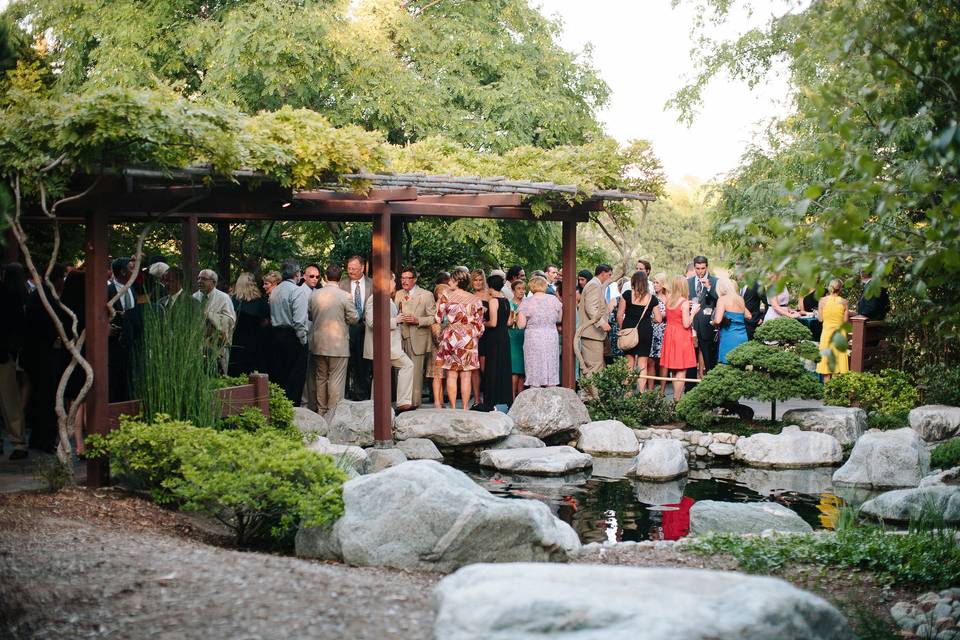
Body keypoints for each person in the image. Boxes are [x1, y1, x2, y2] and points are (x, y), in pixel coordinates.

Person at [308, 264, 359, 415]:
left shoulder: (315, 295)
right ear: (340, 277)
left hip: (318, 343)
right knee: (336, 379)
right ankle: (333, 412)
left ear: (325, 277)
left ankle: (321, 411)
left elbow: (310, 315)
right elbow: (354, 318)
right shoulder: (345, 296)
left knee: (321, 377)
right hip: (338, 344)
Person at [364, 273, 415, 412]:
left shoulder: (387, 298)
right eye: (393, 281)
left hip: (389, 345)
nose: (395, 284)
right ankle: (402, 402)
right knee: (407, 365)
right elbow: (372, 322)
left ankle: (375, 405)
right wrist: (396, 321)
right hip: (384, 346)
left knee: (380, 374)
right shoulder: (375, 299)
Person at [435, 270, 485, 409]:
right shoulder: (475, 299)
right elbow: (480, 324)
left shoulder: (446, 296)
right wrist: (472, 334)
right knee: (466, 375)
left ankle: (452, 408)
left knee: (451, 374)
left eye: (451, 279)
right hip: (468, 337)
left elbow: (438, 318)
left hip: (451, 337)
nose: (449, 282)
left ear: (457, 281)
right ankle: (464, 408)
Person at [269, 258, 309, 404]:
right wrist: (303, 341)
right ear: (297, 274)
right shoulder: (297, 292)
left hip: (275, 335)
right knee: (295, 378)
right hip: (292, 337)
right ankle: (292, 409)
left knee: (279, 375)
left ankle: (279, 406)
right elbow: (299, 321)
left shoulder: (275, 291)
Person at [395, 266, 436, 409]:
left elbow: (433, 318)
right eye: (402, 278)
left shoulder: (426, 295)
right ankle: (403, 402)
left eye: (408, 278)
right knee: (402, 371)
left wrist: (417, 320)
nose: (404, 281)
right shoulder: (398, 294)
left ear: (415, 279)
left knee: (416, 371)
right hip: (400, 337)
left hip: (418, 337)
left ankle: (415, 403)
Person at [0, 263, 29, 459]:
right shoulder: (12, 293)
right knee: (9, 398)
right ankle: (18, 442)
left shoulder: (7, 293)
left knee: (9, 398)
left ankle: (18, 441)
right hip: (5, 353)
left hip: (3, 352)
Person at [617, 270, 662, 391]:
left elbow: (619, 315)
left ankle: (628, 393)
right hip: (645, 331)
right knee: (643, 363)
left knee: (629, 363)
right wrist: (649, 319)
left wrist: (623, 329)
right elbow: (658, 319)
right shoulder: (652, 299)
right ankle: (641, 394)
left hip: (629, 330)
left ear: (633, 282)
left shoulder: (626, 294)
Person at [517, 275, 562, 387]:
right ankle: (551, 386)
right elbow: (559, 319)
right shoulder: (554, 300)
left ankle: (534, 387)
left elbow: (521, 325)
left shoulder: (526, 302)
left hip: (534, 336)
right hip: (551, 334)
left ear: (531, 287)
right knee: (550, 361)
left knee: (535, 363)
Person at [660, 275, 698, 399]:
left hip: (670, 334)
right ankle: (676, 400)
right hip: (681, 335)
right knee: (681, 370)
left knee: (674, 369)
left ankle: (675, 399)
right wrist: (693, 312)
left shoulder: (669, 299)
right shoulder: (684, 302)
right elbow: (686, 324)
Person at [340, 256, 373, 400]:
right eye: (349, 268)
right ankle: (345, 393)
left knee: (363, 364)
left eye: (354, 268)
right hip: (347, 327)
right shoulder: (342, 285)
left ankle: (362, 395)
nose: (351, 271)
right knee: (346, 363)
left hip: (367, 328)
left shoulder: (372, 284)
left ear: (362, 268)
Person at [193, 269, 237, 374]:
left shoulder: (223, 298)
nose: (200, 281)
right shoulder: (194, 297)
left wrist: (210, 316)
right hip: (198, 345)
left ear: (213, 282)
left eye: (204, 279)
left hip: (217, 346)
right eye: (198, 278)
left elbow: (230, 320)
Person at [479, 273, 513, 409]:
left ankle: (491, 400)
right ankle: (504, 398)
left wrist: (482, 323)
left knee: (492, 367)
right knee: (503, 366)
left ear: (490, 286)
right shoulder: (506, 300)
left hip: (494, 336)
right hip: (504, 335)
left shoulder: (493, 301)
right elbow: (509, 321)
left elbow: (492, 323)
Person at [228, 272, 270, 377]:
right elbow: (266, 321)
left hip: (237, 341)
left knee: (236, 371)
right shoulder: (261, 302)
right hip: (256, 341)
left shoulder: (233, 301)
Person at [577, 264, 612, 383]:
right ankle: (590, 397)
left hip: (592, 333)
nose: (610, 278)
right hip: (591, 333)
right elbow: (591, 308)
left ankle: (590, 395)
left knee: (595, 366)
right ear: (602, 273)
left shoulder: (595, 285)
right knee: (594, 367)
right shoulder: (594, 285)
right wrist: (602, 323)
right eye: (609, 275)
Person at [687, 256, 718, 384]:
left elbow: (719, 300)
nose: (700, 271)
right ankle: (690, 388)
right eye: (697, 268)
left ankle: (711, 386)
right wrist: (686, 303)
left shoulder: (715, 281)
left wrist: (710, 288)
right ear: (694, 267)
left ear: (707, 267)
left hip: (707, 325)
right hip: (690, 324)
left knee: (709, 359)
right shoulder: (688, 281)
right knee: (689, 359)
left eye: (703, 268)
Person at [816, 279, 850, 382]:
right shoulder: (844, 302)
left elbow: (820, 319)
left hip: (827, 334)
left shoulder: (822, 301)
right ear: (840, 289)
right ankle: (835, 394)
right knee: (838, 366)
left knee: (826, 366)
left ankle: (827, 394)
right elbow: (845, 321)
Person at [712, 277, 751, 364]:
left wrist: (713, 322)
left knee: (727, 365)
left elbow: (718, 320)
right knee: (740, 365)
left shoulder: (722, 299)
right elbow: (748, 315)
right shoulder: (740, 299)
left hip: (729, 336)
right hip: (742, 336)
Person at [427, 281, 450, 408]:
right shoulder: (435, 307)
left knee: (444, 374)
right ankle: (437, 400)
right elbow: (434, 325)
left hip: (447, 343)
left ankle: (441, 399)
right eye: (442, 293)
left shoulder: (447, 307)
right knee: (437, 374)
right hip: (437, 343)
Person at [471, 268, 491, 404]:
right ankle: (477, 399)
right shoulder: (468, 295)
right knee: (474, 368)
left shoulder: (489, 295)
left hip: (487, 334)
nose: (478, 283)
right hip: (472, 335)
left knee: (485, 368)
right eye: (475, 280)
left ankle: (489, 397)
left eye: (480, 280)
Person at [507, 278, 526, 399]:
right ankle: (512, 398)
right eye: (518, 289)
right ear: (513, 290)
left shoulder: (528, 303)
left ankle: (521, 399)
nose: (522, 291)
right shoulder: (509, 303)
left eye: (523, 289)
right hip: (513, 336)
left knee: (523, 372)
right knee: (514, 371)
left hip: (525, 336)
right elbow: (507, 323)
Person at [650, 272, 668, 394]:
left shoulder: (669, 297)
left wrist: (660, 316)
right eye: (654, 282)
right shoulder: (650, 296)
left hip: (664, 331)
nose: (655, 285)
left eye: (657, 282)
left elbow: (670, 313)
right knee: (650, 361)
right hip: (651, 330)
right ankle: (650, 390)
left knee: (663, 362)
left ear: (663, 284)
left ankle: (662, 391)